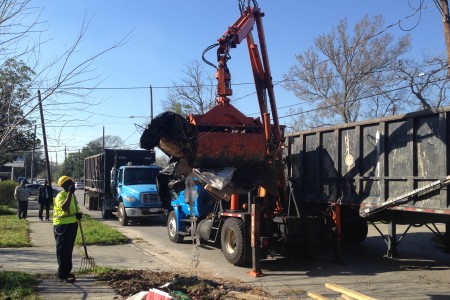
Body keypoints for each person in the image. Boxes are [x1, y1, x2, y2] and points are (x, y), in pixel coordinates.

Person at [53, 175, 82, 283]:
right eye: (70, 182)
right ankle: (61, 274)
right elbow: (64, 207)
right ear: (64, 185)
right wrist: (70, 193)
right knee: (62, 250)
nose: (72, 184)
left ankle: (67, 271)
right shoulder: (61, 196)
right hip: (62, 226)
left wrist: (78, 214)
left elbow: (73, 210)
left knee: (69, 249)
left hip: (72, 224)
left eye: (72, 182)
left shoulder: (72, 196)